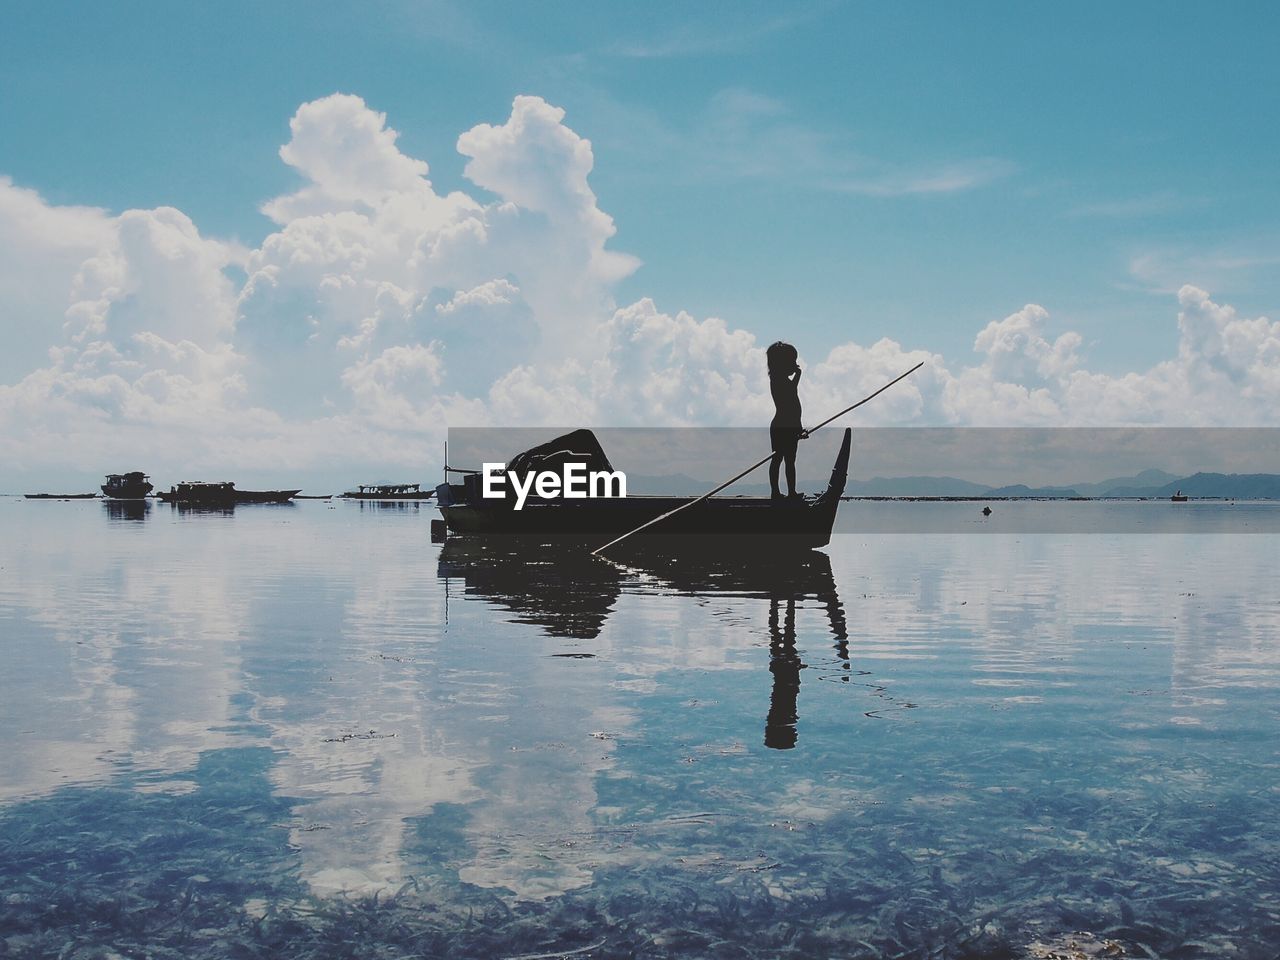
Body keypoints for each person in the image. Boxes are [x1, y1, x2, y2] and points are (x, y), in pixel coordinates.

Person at [767, 341, 806, 500]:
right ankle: (775, 492)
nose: (795, 364)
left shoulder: (783, 379)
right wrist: (797, 376)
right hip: (782, 426)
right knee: (777, 459)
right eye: (792, 361)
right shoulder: (777, 380)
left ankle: (791, 492)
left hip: (791, 426)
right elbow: (790, 398)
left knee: (790, 460)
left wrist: (799, 428)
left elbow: (793, 407)